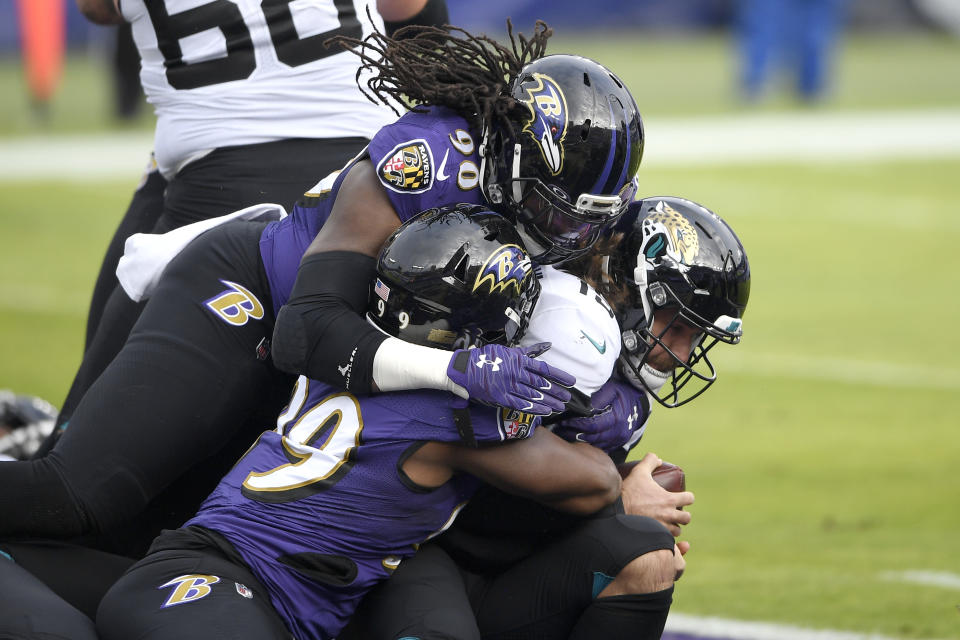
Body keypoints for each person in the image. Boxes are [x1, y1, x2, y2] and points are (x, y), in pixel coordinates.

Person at [1, 21, 641, 626]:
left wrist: (616, 402)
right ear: (512, 160)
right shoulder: (432, 159)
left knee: (155, 537)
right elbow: (306, 330)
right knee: (81, 498)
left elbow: (624, 307)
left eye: (588, 221)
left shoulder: (579, 207)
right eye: (553, 212)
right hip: (255, 297)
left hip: (353, 357)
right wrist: (452, 370)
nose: (569, 237)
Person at [95, 204, 631, 640]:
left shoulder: (355, 348)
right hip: (224, 587)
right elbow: (597, 484)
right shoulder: (454, 420)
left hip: (204, 576)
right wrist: (619, 414)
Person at [341, 195, 751, 639]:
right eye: (678, 327)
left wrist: (620, 489)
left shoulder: (620, 383)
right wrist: (614, 500)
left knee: (649, 554)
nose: (681, 355)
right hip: (418, 541)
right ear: (631, 288)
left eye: (696, 336)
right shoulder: (547, 319)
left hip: (505, 553)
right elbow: (466, 482)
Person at [54, 0, 450, 438]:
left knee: (83, 438)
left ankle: (70, 425)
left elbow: (98, 10)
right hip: (359, 176)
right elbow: (408, 12)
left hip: (214, 176)